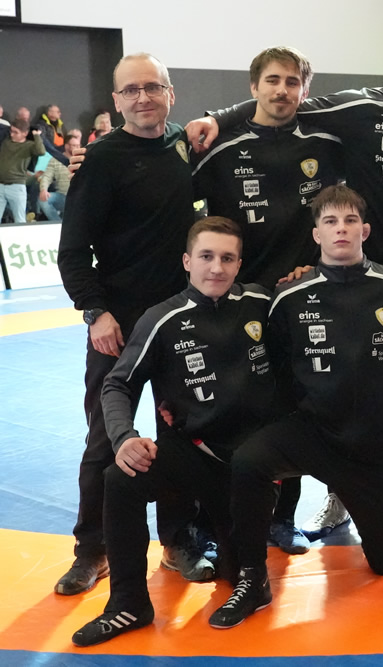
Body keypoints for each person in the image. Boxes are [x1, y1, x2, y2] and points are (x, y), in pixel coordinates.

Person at [186, 28, 383, 542]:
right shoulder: (358, 108)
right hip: (367, 279)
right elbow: (284, 103)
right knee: (340, 388)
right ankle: (338, 493)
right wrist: (218, 118)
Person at [209, 185, 383, 629]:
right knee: (249, 461)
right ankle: (252, 577)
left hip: (372, 448)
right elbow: (270, 367)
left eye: (349, 221)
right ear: (316, 235)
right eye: (330, 222)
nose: (341, 229)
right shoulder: (290, 295)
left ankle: (358, 500)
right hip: (314, 433)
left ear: (365, 231)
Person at [70, 217, 274, 647]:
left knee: (238, 573)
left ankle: (248, 573)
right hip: (193, 453)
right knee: (121, 477)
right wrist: (125, 437)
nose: (216, 267)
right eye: (206, 256)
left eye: (227, 258)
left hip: (249, 466)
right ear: (186, 261)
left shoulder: (262, 302)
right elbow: (117, 384)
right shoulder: (161, 318)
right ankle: (128, 603)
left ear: (239, 265)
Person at [56, 53, 204, 596]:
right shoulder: (100, 160)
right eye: (131, 90)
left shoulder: (187, 145)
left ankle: (178, 540)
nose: (143, 98)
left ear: (170, 93)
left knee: (182, 434)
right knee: (104, 438)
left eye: (153, 87)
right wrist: (95, 312)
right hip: (117, 324)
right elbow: (73, 251)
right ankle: (91, 550)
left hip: (180, 320)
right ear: (116, 101)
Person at [189, 45, 346, 552]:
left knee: (292, 409)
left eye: (292, 82)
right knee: (225, 407)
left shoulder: (326, 142)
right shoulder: (219, 147)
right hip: (234, 301)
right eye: (273, 81)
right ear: (253, 86)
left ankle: (283, 517)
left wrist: (319, 267)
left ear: (305, 89)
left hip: (299, 301)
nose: (282, 91)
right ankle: (211, 521)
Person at [0, 119, 44, 223]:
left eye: (16, 132)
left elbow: (41, 151)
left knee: (20, 220)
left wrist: (37, 136)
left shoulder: (29, 146)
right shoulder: (6, 142)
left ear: (25, 133)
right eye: (11, 131)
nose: (12, 134)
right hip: (0, 185)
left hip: (17, 186)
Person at [37, 130, 79, 221]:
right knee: (43, 200)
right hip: (63, 196)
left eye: (78, 145)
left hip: (79, 197)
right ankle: (57, 223)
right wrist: (43, 189)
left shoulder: (81, 159)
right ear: (66, 146)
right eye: (74, 145)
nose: (77, 148)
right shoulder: (55, 160)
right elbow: (47, 176)